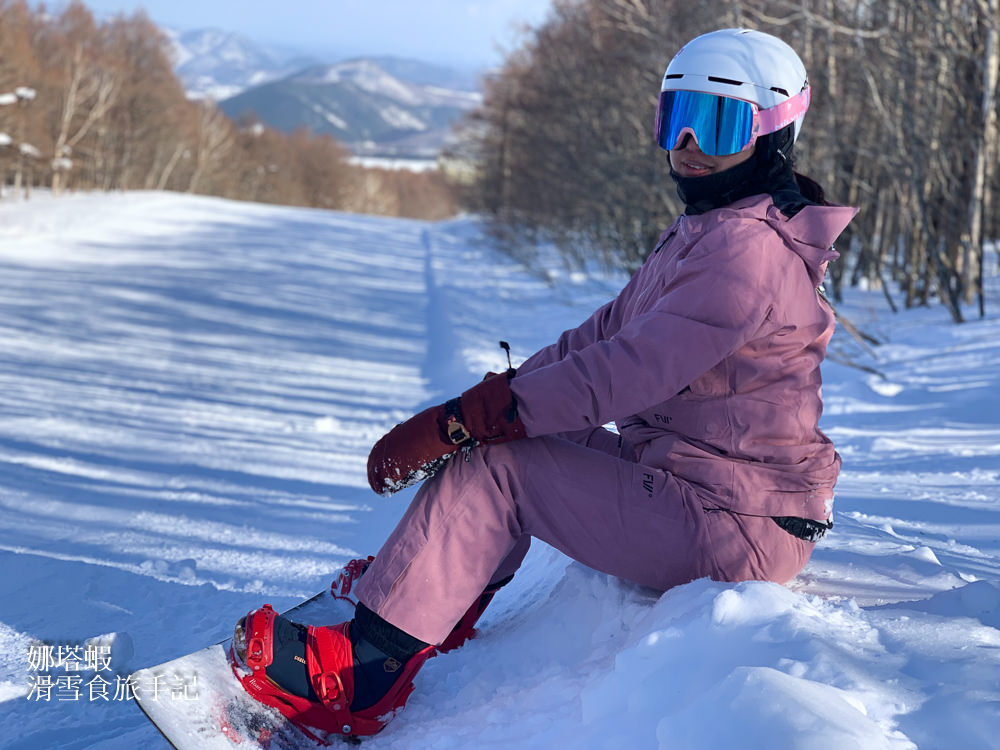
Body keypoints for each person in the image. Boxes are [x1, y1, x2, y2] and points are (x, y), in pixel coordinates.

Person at [228, 28, 858, 740]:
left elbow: (623, 374)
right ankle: (423, 590)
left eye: (715, 124)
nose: (688, 144)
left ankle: (360, 675)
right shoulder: (713, 228)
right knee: (510, 430)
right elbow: (600, 335)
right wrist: (481, 404)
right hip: (709, 489)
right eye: (674, 118)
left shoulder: (746, 256)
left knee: (503, 461)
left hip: (732, 523)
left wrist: (477, 422)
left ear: (774, 135)